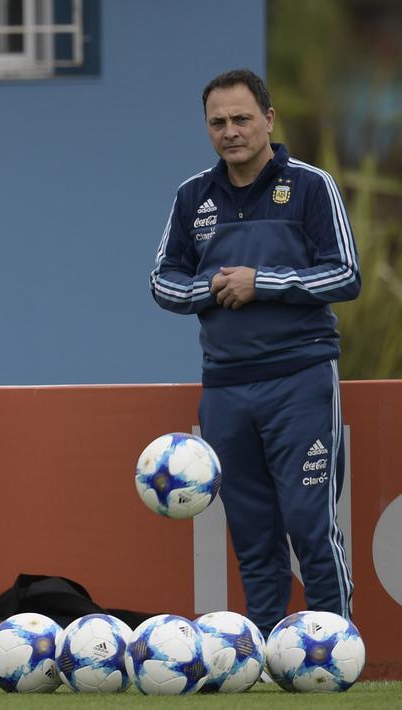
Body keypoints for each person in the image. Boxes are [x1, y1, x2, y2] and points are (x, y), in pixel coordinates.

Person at [150, 69, 359, 637]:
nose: (230, 131)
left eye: (242, 119)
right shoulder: (192, 196)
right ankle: (268, 653)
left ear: (268, 120)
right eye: (217, 122)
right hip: (225, 388)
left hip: (301, 380)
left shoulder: (312, 186)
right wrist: (212, 287)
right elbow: (162, 281)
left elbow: (345, 274)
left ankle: (333, 645)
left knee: (310, 525)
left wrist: (261, 282)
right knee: (251, 532)